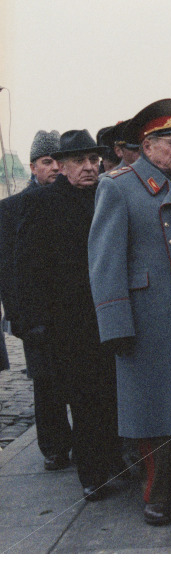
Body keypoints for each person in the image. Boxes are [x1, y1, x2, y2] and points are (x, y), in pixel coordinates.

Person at [89, 99, 171, 526]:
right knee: (152, 412)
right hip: (147, 320)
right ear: (147, 146)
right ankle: (158, 492)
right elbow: (105, 262)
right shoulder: (118, 186)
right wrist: (115, 323)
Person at [15, 130, 121, 501]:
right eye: (80, 161)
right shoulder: (42, 203)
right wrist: (35, 322)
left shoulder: (106, 194)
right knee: (84, 397)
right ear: (60, 166)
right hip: (68, 321)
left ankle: (112, 461)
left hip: (107, 313)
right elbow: (27, 266)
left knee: (110, 393)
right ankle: (92, 474)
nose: (90, 168)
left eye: (93, 160)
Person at [1, 130, 74, 471]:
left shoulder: (76, 199)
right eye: (47, 162)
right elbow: (7, 270)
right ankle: (55, 447)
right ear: (32, 166)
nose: (55, 168)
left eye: (60, 161)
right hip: (35, 315)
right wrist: (18, 318)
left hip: (71, 311)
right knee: (47, 384)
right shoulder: (11, 209)